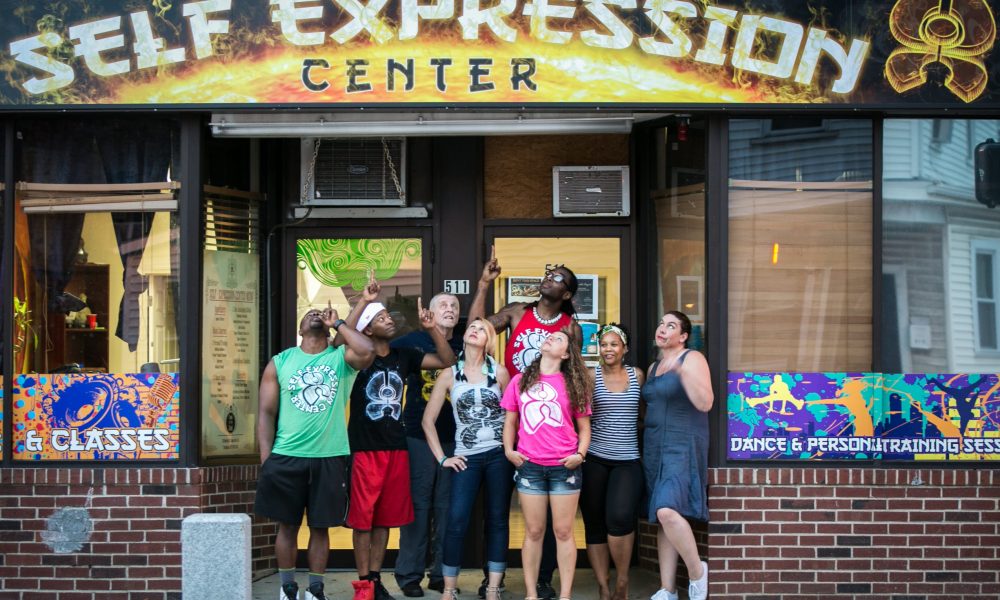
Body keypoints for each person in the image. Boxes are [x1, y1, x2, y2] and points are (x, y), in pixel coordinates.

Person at [469, 248, 582, 599]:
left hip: (550, 430)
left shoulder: (570, 328)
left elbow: (575, 375)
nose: (549, 277)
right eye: (549, 272)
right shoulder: (518, 311)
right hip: (510, 419)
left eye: (558, 277)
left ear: (566, 294)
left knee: (551, 521)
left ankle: (544, 580)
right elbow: (478, 328)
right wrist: (484, 284)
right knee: (501, 508)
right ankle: (494, 578)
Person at [338, 278, 458, 600]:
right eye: (381, 318)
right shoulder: (357, 358)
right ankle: (363, 585)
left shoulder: (404, 355)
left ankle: (376, 580)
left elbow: (447, 360)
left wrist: (432, 329)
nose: (389, 320)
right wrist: (363, 303)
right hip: (364, 449)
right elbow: (339, 341)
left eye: (389, 316)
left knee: (385, 519)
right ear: (367, 329)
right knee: (363, 521)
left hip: (397, 448)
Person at [255, 302, 375, 600]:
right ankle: (287, 588)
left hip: (329, 456)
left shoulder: (340, 358)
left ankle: (316, 589)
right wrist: (266, 459)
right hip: (286, 456)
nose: (314, 315)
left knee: (320, 528)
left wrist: (340, 324)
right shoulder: (281, 361)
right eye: (308, 314)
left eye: (319, 314)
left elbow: (367, 351)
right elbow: (266, 412)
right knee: (287, 527)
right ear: (300, 330)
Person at [422, 318, 513, 600]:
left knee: (497, 521)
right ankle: (449, 589)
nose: (475, 331)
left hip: (498, 456)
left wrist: (510, 449)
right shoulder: (449, 374)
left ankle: (494, 588)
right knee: (456, 521)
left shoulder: (499, 372)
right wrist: (442, 458)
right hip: (466, 457)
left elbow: (514, 415)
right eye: (472, 327)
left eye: (482, 329)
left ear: (489, 340)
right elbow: (427, 421)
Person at [501, 327, 592, 600]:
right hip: (530, 466)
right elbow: (510, 422)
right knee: (534, 531)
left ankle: (565, 595)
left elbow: (584, 428)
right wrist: (509, 451)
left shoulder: (573, 384)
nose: (551, 337)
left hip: (565, 466)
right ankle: (531, 594)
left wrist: (580, 455)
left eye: (559, 338)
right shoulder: (519, 380)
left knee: (563, 531)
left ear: (565, 354)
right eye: (550, 336)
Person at [392, 293, 464, 597]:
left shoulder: (465, 342)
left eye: (454, 306)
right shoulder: (410, 342)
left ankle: (441, 575)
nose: (450, 309)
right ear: (430, 312)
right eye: (443, 305)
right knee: (417, 507)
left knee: (447, 509)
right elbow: (376, 353)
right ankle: (409, 575)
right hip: (417, 435)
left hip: (457, 438)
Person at [643, 312, 714, 600]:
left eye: (671, 325)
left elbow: (705, 402)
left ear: (683, 336)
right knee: (664, 516)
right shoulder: (653, 367)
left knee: (667, 510)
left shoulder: (692, 358)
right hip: (654, 447)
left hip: (682, 443)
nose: (662, 328)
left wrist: (682, 372)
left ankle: (697, 572)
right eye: (661, 323)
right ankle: (667, 589)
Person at [580, 324, 645, 600]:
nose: (608, 349)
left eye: (614, 344)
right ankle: (604, 587)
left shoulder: (637, 375)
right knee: (594, 523)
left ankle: (622, 579)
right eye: (604, 344)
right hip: (595, 458)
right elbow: (581, 415)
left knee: (619, 518)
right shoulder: (590, 376)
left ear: (624, 349)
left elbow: (643, 412)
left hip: (627, 460)